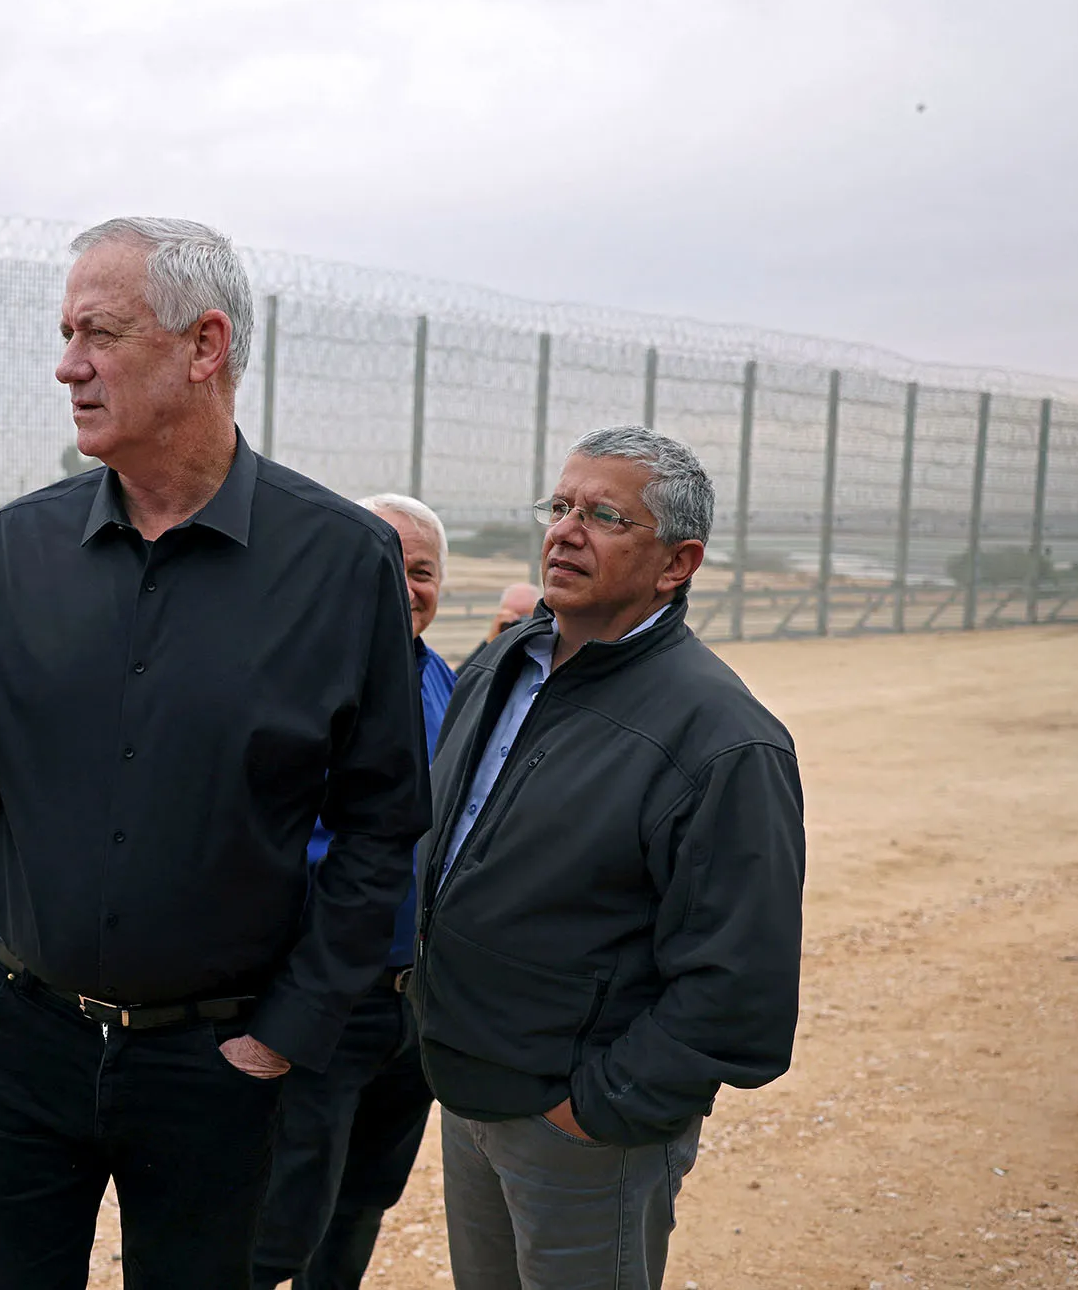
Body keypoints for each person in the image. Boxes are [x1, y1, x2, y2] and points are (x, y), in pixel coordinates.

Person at [0, 217, 433, 1290]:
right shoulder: (15, 546)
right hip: (17, 1034)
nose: (66, 364)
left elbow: (381, 821)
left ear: (204, 344)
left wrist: (285, 1033)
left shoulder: (341, 561)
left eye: (98, 331)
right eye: (62, 331)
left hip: (218, 1064)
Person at [411, 426, 805, 1290]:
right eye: (559, 506)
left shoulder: (723, 739)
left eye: (603, 516)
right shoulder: (505, 666)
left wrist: (592, 1110)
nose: (564, 530)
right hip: (471, 1091)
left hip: (580, 1131)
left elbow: (742, 991)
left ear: (678, 562)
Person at [251, 493, 454, 1290]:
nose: (405, 588)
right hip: (321, 1000)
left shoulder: (451, 686)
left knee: (364, 1199)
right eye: (385, 565)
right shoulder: (288, 686)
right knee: (280, 1221)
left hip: (414, 1008)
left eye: (423, 572)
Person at [461, 582, 541, 669]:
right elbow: (461, 680)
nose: (518, 626)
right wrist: (491, 642)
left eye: (526, 618)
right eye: (513, 621)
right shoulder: (495, 645)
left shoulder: (546, 652)